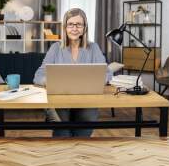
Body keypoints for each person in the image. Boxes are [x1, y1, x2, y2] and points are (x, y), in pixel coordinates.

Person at [33, 8, 112, 137]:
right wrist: (50, 82)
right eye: (70, 24)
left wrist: (96, 82)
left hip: (87, 100)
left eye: (79, 24)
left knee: (85, 127)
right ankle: (65, 152)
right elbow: (38, 76)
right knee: (62, 131)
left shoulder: (94, 48)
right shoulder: (55, 48)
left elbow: (107, 74)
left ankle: (79, 150)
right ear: (65, 27)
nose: (74, 28)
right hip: (59, 100)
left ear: (84, 28)